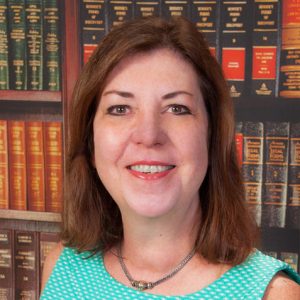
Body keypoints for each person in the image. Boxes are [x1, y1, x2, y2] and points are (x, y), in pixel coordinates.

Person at [40, 16, 300, 299]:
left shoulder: (274, 295)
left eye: (177, 108)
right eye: (120, 109)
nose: (149, 134)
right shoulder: (60, 267)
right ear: (90, 143)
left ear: (212, 138)